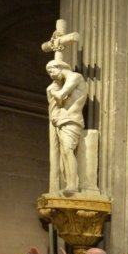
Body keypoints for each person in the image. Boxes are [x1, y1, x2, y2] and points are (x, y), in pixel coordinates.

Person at [46, 59, 88, 194]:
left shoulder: (76, 77)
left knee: (68, 150)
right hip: (63, 120)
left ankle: (72, 185)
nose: (51, 75)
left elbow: (60, 95)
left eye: (51, 71)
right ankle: (69, 183)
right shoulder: (66, 80)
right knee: (64, 153)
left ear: (59, 67)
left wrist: (51, 89)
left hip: (72, 119)